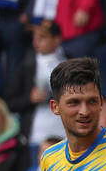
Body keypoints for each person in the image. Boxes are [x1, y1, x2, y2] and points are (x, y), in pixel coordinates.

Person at [5, 21, 66, 149]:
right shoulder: (25, 66)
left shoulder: (71, 62)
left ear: (56, 40)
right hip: (37, 136)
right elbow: (10, 102)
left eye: (42, 37)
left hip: (66, 134)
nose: (36, 42)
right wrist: (29, 99)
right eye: (34, 37)